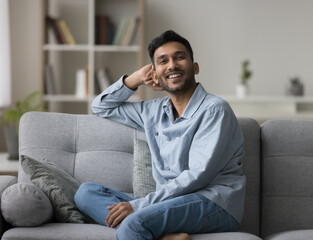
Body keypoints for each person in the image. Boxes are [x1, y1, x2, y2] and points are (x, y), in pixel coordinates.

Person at [74, 30, 246, 240]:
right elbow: (100, 106)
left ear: (195, 67)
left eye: (179, 57)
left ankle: (148, 228)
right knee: (85, 193)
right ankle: (164, 234)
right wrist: (136, 78)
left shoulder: (215, 110)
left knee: (134, 224)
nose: (172, 65)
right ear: (155, 74)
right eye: (163, 61)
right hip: (167, 203)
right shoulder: (152, 111)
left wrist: (139, 206)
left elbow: (196, 176)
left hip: (213, 203)